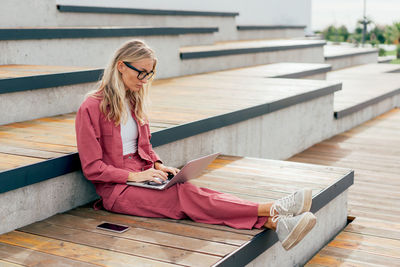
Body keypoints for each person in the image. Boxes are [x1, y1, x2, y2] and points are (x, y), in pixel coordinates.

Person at [75, 40, 316, 251]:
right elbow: (93, 168)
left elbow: (145, 147)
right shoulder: (91, 107)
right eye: (142, 73)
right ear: (121, 66)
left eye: (150, 74)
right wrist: (136, 176)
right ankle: (273, 208)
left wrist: (159, 165)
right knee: (187, 195)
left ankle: (276, 223)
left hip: (145, 175)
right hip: (118, 191)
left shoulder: (134, 101)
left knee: (192, 191)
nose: (145, 79)